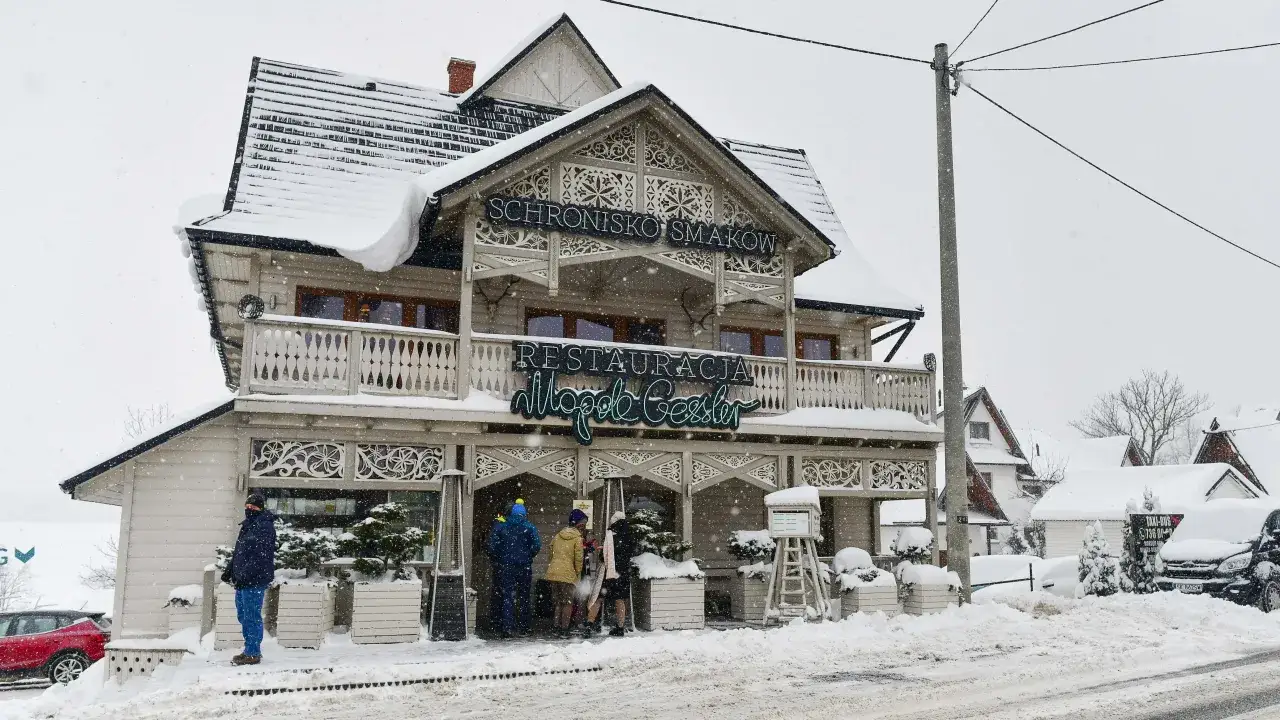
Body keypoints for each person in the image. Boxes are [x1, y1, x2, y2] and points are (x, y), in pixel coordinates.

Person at [221, 493, 276, 666]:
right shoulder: (247, 525)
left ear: (261, 508)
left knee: (251, 616)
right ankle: (249, 649)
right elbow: (239, 552)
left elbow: (260, 556)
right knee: (243, 615)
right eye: (247, 506)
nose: (250, 509)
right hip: (243, 580)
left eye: (254, 506)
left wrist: (244, 575)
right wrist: (229, 571)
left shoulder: (264, 526)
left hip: (254, 579)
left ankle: (253, 653)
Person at [487, 499, 541, 638]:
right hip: (524, 566)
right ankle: (524, 627)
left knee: (507, 596)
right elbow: (536, 545)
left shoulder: (501, 526)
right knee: (524, 597)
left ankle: (507, 628)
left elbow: (492, 545)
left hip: (506, 566)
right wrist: (528, 555)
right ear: (524, 514)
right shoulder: (529, 527)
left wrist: (499, 557)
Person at [586, 511, 632, 637]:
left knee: (598, 598)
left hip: (609, 572)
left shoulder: (610, 535)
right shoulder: (629, 536)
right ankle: (620, 627)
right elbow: (629, 553)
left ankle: (589, 625)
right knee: (620, 599)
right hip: (622, 573)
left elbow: (604, 557)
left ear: (613, 522)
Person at [545, 509, 587, 638]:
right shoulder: (577, 538)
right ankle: (564, 629)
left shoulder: (558, 535)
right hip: (568, 574)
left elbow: (550, 552)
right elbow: (579, 558)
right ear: (579, 524)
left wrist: (554, 565)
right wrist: (577, 572)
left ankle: (555, 626)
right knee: (567, 602)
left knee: (558, 602)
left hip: (553, 572)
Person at [486, 501, 515, 630]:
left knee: (498, 593)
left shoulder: (499, 524)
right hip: (515, 564)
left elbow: (491, 545)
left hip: (500, 563)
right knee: (510, 594)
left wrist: (495, 557)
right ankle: (508, 623)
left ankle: (496, 621)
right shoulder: (517, 525)